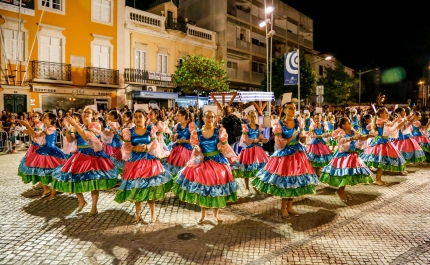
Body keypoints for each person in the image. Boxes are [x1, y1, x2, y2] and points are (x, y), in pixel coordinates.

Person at [252, 102, 318, 219]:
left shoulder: (298, 122)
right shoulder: (279, 124)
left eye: (294, 108)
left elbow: (301, 138)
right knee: (286, 182)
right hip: (285, 155)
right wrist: (292, 137)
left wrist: (306, 134)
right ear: (285, 110)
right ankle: (283, 208)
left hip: (297, 154)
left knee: (294, 181)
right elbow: (279, 144)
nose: (293, 110)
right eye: (291, 108)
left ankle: (290, 207)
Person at [172, 110, 238, 224]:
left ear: (215, 118)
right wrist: (196, 150)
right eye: (207, 117)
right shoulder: (197, 133)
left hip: (217, 162)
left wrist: (221, 145)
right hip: (204, 161)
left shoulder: (219, 132)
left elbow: (224, 145)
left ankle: (216, 215)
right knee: (202, 188)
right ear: (203, 118)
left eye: (212, 117)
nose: (209, 119)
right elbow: (196, 148)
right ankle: (203, 214)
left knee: (216, 188)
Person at [51, 106, 118, 214]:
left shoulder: (95, 125)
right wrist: (68, 128)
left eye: (88, 112)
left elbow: (87, 137)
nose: (86, 114)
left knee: (94, 181)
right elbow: (70, 139)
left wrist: (75, 125)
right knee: (72, 177)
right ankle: (81, 201)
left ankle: (94, 207)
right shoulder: (79, 126)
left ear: (93, 116)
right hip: (80, 155)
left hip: (94, 155)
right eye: (84, 112)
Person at [114, 109, 173, 224]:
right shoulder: (129, 131)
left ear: (145, 118)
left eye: (140, 116)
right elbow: (125, 146)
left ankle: (153, 213)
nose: (137, 119)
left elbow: (155, 143)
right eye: (135, 117)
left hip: (149, 162)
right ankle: (138, 214)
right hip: (135, 163)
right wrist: (134, 148)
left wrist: (148, 146)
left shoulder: (151, 129)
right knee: (137, 188)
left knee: (150, 188)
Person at [320, 118, 375, 201]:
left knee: (348, 174)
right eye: (348, 123)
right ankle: (340, 191)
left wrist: (367, 136)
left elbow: (360, 137)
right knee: (344, 174)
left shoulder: (353, 131)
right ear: (343, 125)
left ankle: (342, 191)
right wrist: (352, 138)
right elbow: (341, 141)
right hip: (343, 156)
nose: (350, 124)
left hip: (352, 155)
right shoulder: (341, 132)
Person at [18, 113, 67, 198]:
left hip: (49, 150)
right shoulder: (47, 128)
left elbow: (36, 136)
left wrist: (28, 126)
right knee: (42, 169)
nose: (43, 118)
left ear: (50, 120)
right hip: (46, 149)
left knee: (47, 169)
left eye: (45, 117)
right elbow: (36, 136)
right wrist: (29, 128)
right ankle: (47, 188)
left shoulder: (50, 129)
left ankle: (51, 188)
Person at [360, 108, 406, 186]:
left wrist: (398, 120)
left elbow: (392, 128)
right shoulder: (379, 120)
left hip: (386, 141)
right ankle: (376, 179)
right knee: (381, 162)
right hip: (381, 142)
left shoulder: (385, 121)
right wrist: (397, 119)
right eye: (385, 112)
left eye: (387, 112)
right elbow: (390, 124)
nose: (387, 113)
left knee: (382, 163)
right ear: (380, 114)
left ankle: (378, 179)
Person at [235, 110, 268, 196]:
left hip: (257, 150)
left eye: (254, 116)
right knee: (247, 169)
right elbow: (245, 139)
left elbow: (260, 137)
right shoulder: (246, 127)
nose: (253, 118)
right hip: (248, 150)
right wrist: (254, 140)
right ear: (248, 117)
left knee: (257, 168)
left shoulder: (258, 127)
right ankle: (246, 187)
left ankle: (255, 185)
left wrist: (263, 139)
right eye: (251, 116)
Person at [165, 109, 195, 176]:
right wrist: (173, 137)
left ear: (184, 116)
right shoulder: (177, 125)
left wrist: (183, 141)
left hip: (187, 149)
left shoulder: (190, 125)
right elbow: (173, 140)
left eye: (178, 115)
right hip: (176, 148)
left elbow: (194, 140)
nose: (176, 117)